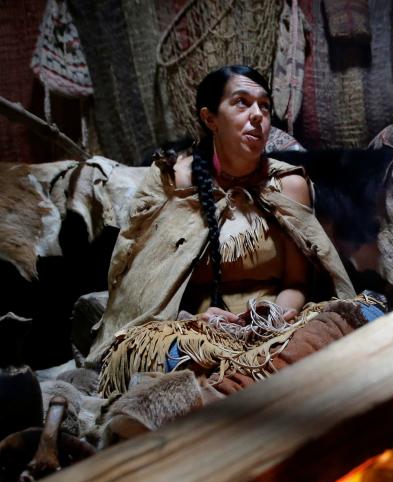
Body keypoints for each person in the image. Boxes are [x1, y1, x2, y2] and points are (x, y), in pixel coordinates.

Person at [86, 65, 377, 399]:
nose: (258, 116)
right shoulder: (175, 182)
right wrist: (198, 319)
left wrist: (275, 317)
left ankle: (225, 393)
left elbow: (297, 283)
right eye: (242, 102)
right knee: (158, 353)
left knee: (366, 313)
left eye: (264, 106)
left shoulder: (289, 184)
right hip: (196, 330)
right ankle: (258, 388)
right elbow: (148, 286)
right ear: (210, 119)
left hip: (272, 331)